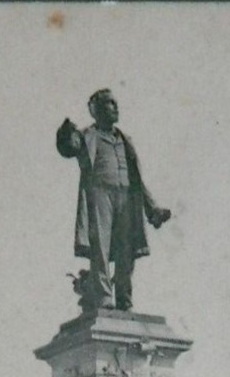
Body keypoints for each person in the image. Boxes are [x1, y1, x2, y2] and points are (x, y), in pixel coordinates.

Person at [56, 89, 171, 312]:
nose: (115, 107)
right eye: (109, 104)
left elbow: (137, 177)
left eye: (115, 103)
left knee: (126, 250)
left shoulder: (124, 140)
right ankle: (104, 297)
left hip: (127, 196)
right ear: (96, 110)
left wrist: (151, 208)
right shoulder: (89, 135)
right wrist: (65, 133)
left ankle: (124, 299)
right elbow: (70, 147)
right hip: (100, 193)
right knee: (101, 246)